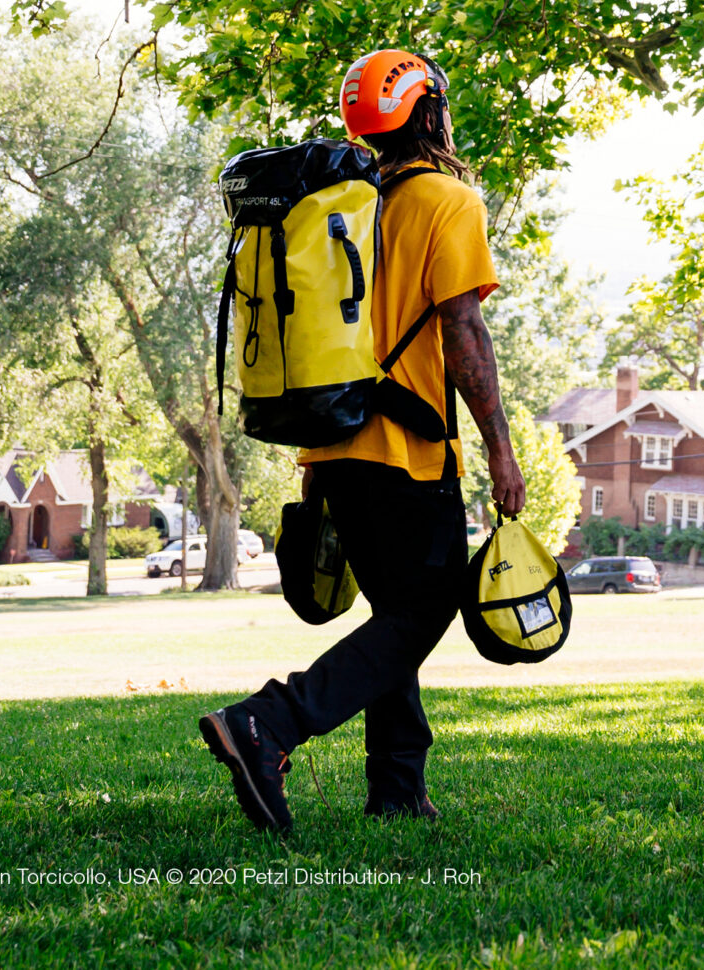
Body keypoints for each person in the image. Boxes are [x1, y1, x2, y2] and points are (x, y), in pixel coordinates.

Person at [199, 49, 527, 831]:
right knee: (421, 612)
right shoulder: (448, 200)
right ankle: (270, 722)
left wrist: (315, 476)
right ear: (428, 112)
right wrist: (500, 449)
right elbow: (463, 331)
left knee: (392, 615)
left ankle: (397, 790)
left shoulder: (341, 203)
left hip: (333, 444)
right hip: (409, 451)